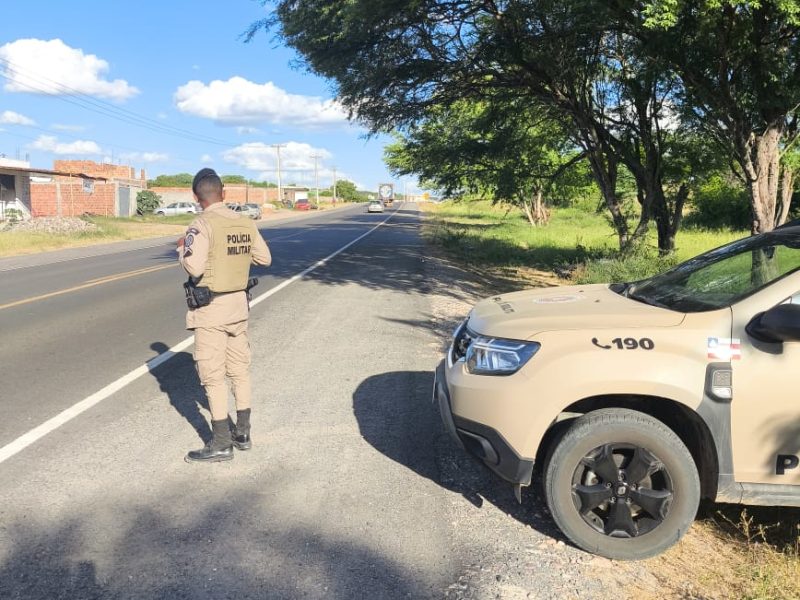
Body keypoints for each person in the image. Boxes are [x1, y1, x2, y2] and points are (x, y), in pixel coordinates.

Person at [177, 168, 272, 463]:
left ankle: (220, 442)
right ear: (224, 193)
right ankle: (242, 433)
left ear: (196, 196)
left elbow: (194, 267)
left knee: (213, 376)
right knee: (239, 370)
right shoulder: (245, 222)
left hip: (212, 310)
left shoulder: (201, 224)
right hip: (239, 306)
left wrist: (181, 251)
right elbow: (264, 258)